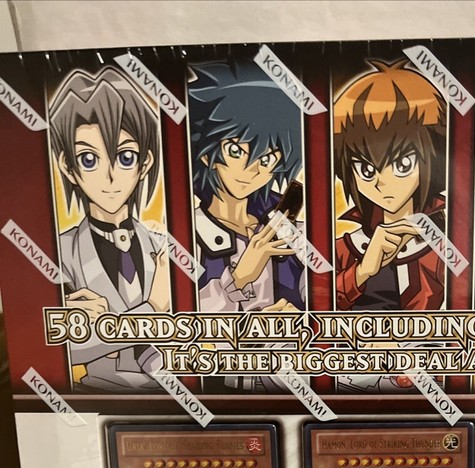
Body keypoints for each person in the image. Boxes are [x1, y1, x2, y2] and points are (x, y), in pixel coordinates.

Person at [49, 66, 169, 390]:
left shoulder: (163, 245)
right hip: (96, 397)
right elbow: (60, 348)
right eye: (89, 160)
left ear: (145, 163)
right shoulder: (60, 253)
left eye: (126, 157)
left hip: (177, 393)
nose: (110, 176)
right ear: (68, 167)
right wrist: (153, 309)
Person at [189, 59, 305, 315]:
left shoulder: (289, 229)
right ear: (206, 153)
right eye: (236, 151)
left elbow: (323, 298)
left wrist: (300, 318)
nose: (251, 170)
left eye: (267, 159)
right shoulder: (188, 235)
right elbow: (179, 318)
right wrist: (239, 278)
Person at [333, 59, 446, 312]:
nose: (382, 182)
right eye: (366, 170)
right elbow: (316, 309)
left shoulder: (445, 248)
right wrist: (362, 271)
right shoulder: (344, 249)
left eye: (402, 164)